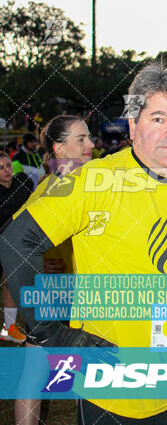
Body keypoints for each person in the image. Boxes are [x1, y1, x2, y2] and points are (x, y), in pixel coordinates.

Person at [0, 60, 167, 425]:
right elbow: (17, 241)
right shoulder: (92, 179)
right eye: (158, 118)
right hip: (116, 391)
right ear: (132, 125)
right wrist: (52, 334)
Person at [13, 114, 94, 425]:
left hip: (71, 291)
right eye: (81, 140)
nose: (91, 144)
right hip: (65, 293)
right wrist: (47, 263)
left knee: (39, 373)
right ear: (60, 149)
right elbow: (16, 238)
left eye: (89, 138)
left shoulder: (61, 182)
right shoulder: (58, 187)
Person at [0, 151, 33, 343]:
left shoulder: (22, 184)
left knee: (10, 284)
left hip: (14, 245)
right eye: (1, 168)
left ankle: (9, 327)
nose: (6, 170)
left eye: (8, 165)